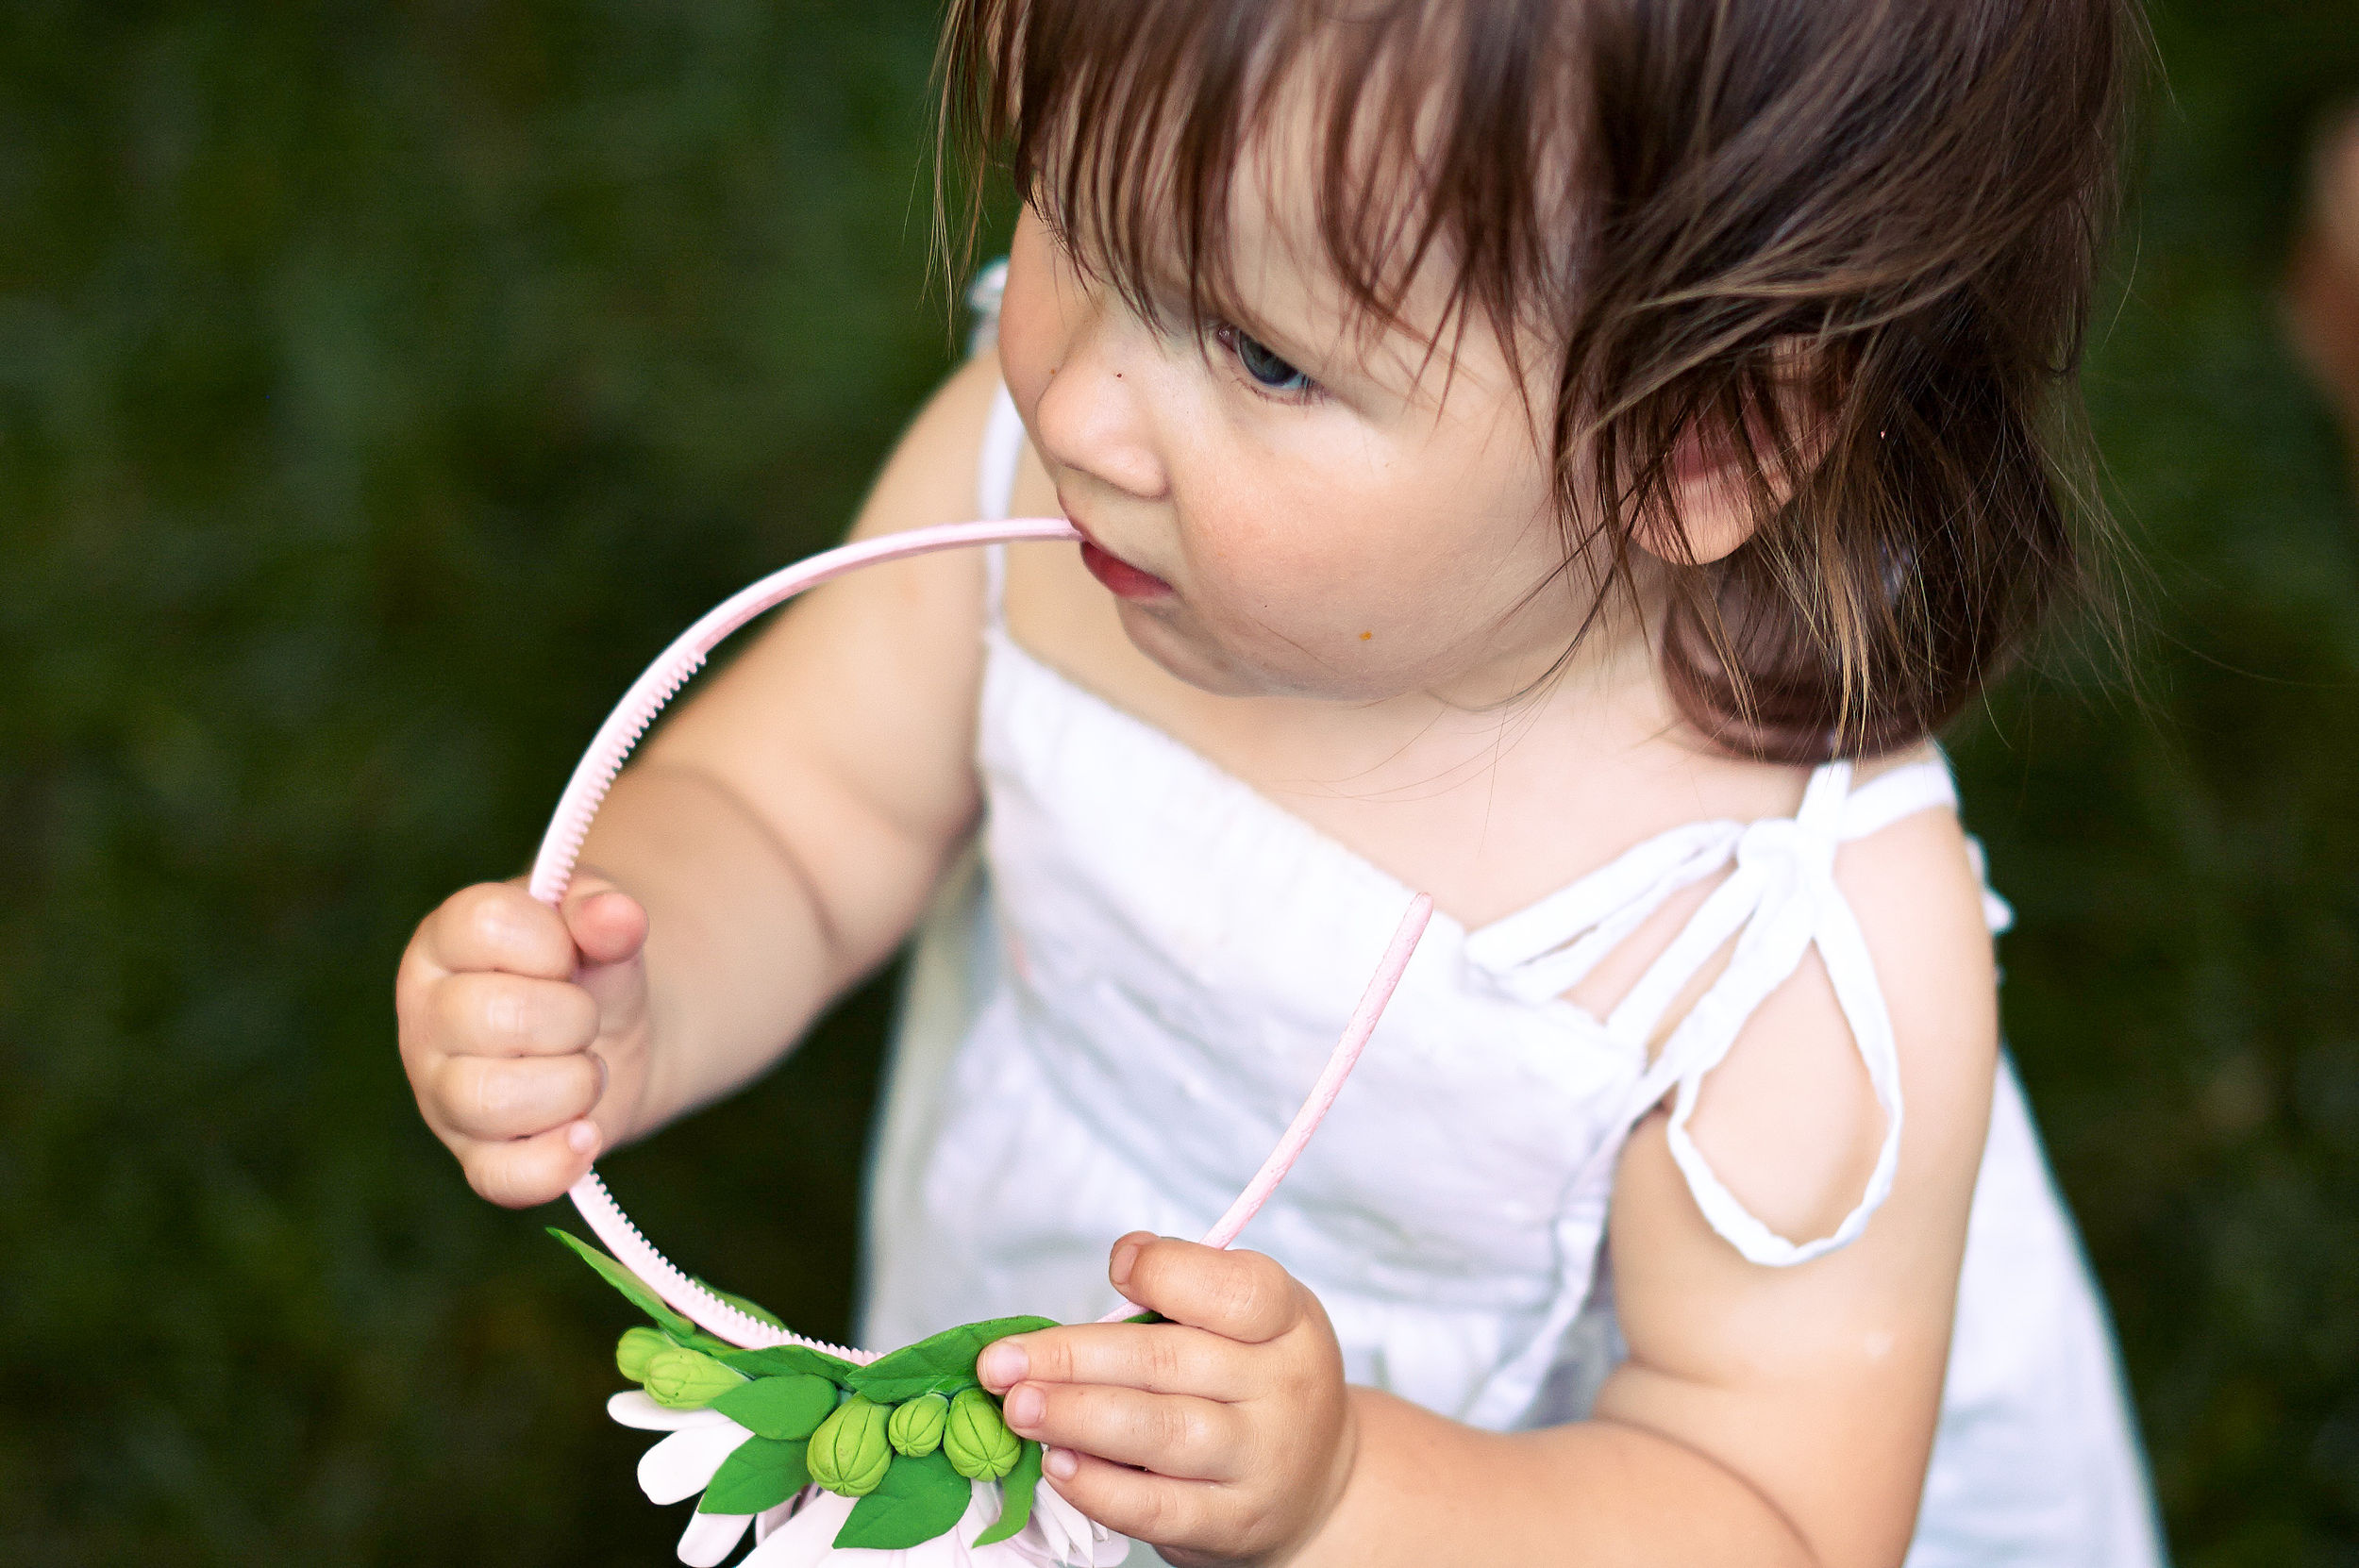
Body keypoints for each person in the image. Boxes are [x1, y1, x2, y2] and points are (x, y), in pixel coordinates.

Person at [394, 1, 2167, 1562]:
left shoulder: (1779, 946)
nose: (1078, 403)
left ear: (1701, 443)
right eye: (1074, 218)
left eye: (1258, 353)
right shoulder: (1048, 503)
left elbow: (1762, 1505)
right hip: (1077, 1330)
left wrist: (1342, 1500)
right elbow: (807, 809)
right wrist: (643, 981)